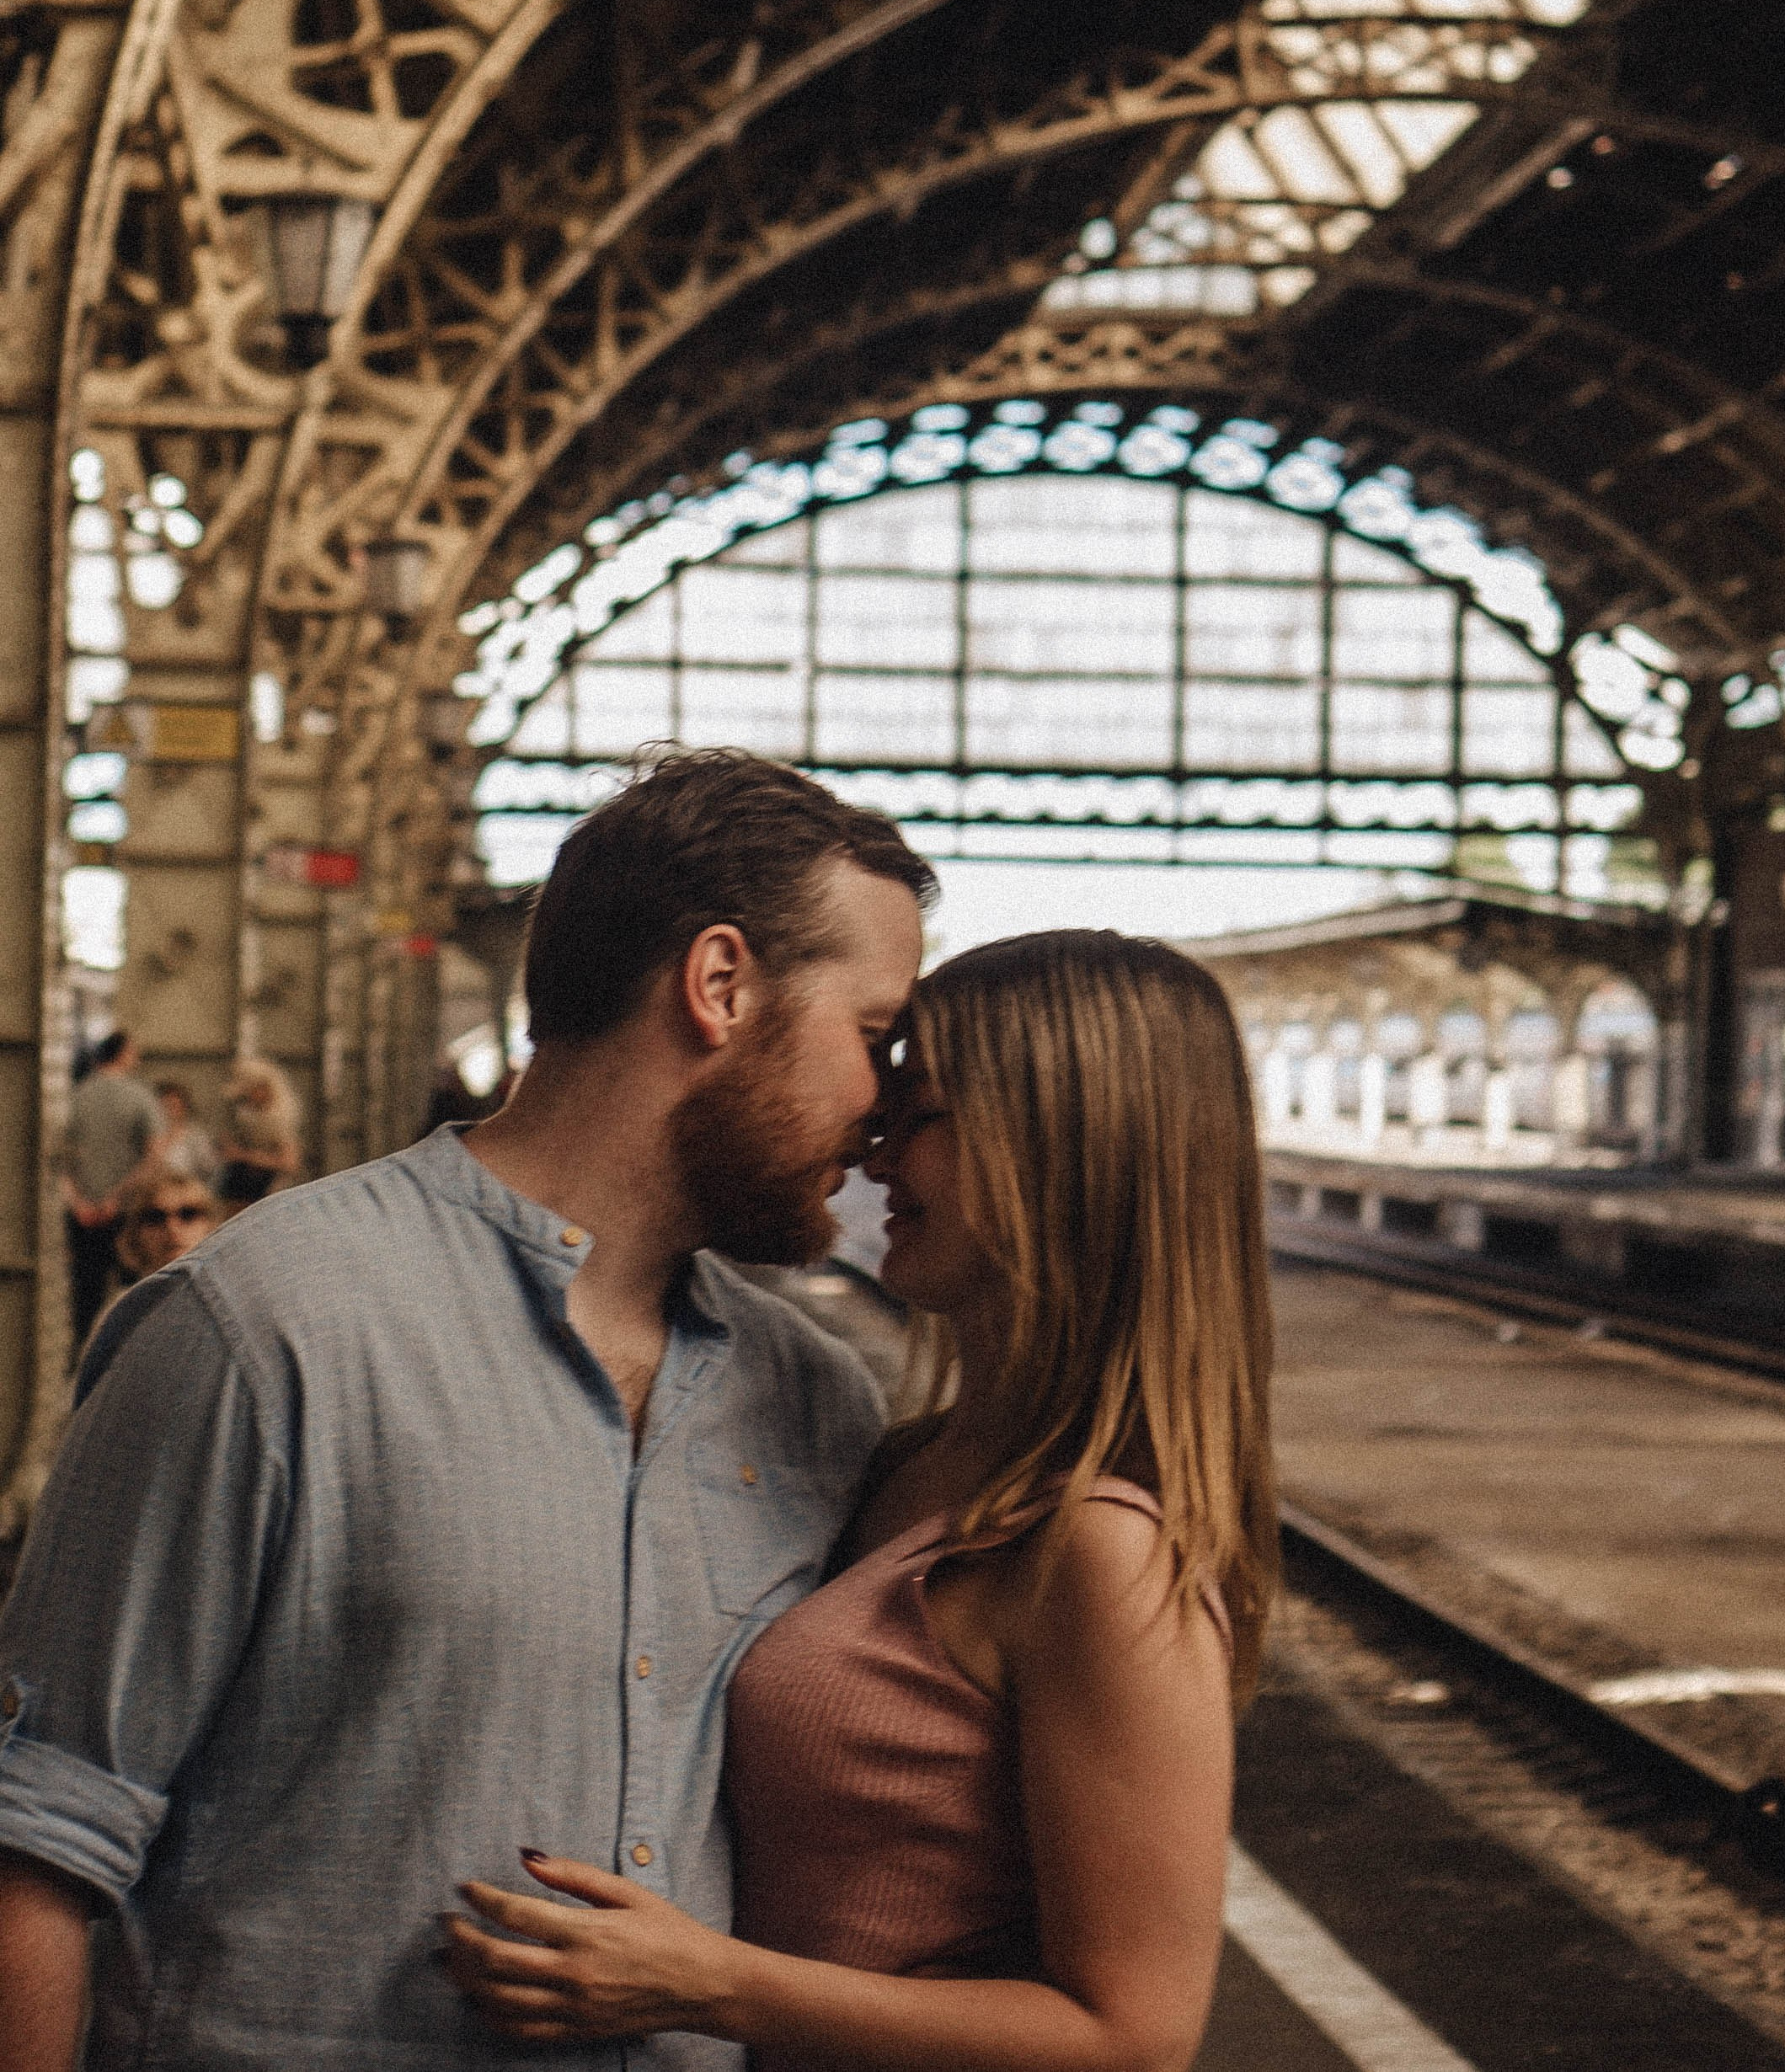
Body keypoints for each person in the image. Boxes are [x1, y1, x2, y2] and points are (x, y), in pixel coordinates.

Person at [0, 748, 933, 2072]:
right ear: (719, 983)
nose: (883, 1102)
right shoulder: (265, 1326)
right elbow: (39, 1838)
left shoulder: (817, 1399)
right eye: (874, 1034)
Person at [446, 929, 1277, 2072]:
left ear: (1061, 1149)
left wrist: (708, 1979)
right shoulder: (904, 1462)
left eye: (921, 1112)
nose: (876, 1151)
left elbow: (1132, 2033)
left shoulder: (1095, 1548)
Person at [58, 1034, 161, 1360]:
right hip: (125, 1212)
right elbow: (153, 1157)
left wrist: (79, 1203)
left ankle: (81, 1361)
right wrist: (116, 1199)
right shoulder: (141, 1096)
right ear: (124, 1054)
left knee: (86, 1294)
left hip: (82, 1215)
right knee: (133, 1288)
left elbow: (58, 1159)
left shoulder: (74, 1097)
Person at [94, 1166, 220, 1332]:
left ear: (210, 1225)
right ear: (136, 1233)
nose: (172, 1228)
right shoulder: (123, 1311)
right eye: (155, 1217)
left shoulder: (226, 1298)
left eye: (188, 1214)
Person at [216, 1052, 302, 1207]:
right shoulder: (251, 1116)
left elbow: (289, 1163)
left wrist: (242, 1155)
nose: (245, 1099)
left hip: (270, 1190)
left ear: (262, 1089)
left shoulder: (277, 1120)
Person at [151, 1081, 221, 1188]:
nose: (168, 1111)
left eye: (174, 1106)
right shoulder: (151, 1136)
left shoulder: (196, 1136)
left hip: (187, 1189)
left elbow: (210, 1168)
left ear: (183, 1108)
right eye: (164, 1106)